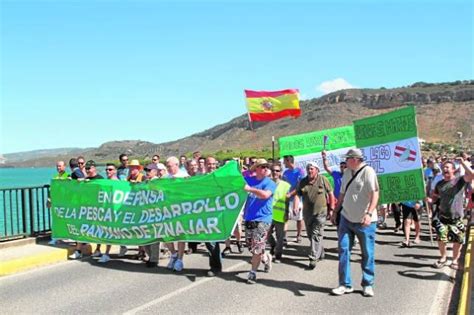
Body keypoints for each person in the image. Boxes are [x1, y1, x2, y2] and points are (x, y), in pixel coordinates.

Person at [331, 149, 379, 297]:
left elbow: (375, 193)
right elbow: (342, 193)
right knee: (344, 250)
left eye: (348, 159)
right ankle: (344, 284)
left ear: (356, 159)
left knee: (367, 253)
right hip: (346, 217)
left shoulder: (368, 172)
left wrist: (369, 213)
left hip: (364, 221)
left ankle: (367, 283)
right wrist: (335, 211)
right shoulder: (346, 173)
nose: (345, 161)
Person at [429, 156, 473, 271]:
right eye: (443, 167)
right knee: (441, 239)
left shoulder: (459, 180)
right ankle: (443, 258)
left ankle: (454, 260)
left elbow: (472, 175)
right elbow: (434, 198)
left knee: (457, 240)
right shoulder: (439, 184)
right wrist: (428, 200)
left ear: (453, 169)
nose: (445, 169)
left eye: (447, 167)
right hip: (442, 216)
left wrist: (463, 163)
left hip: (457, 218)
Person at [295, 162, 335, 269]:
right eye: (308, 168)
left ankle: (313, 258)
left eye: (312, 169)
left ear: (317, 170)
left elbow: (331, 194)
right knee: (310, 235)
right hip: (307, 213)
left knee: (315, 234)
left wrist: (331, 209)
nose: (309, 171)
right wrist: (295, 206)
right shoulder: (303, 182)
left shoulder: (323, 180)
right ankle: (320, 251)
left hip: (321, 212)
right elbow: (297, 195)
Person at [243, 159, 276, 284]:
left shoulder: (270, 183)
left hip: (263, 219)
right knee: (251, 247)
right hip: (249, 218)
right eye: (262, 166)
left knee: (257, 247)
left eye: (266, 166)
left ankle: (253, 273)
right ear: (256, 169)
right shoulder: (249, 181)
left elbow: (265, 195)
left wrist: (249, 189)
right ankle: (266, 256)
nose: (265, 168)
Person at [69, 160, 103, 259]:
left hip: (97, 208)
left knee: (98, 229)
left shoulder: (100, 179)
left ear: (94, 168)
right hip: (86, 208)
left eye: (89, 168)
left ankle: (98, 249)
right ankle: (78, 251)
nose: (88, 170)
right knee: (81, 228)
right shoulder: (85, 179)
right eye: (86, 168)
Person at [164, 156, 189, 272]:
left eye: (170, 166)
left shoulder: (184, 176)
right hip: (168, 210)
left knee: (180, 235)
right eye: (167, 166)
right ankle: (173, 254)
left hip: (181, 210)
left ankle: (179, 259)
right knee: (165, 235)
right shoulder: (166, 178)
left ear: (176, 165)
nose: (168, 168)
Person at [93, 163, 119, 263]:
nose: (108, 171)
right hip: (104, 211)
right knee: (101, 231)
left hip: (113, 212)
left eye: (110, 169)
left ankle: (107, 254)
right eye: (107, 169)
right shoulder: (105, 182)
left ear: (115, 171)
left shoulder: (118, 183)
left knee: (109, 232)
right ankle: (98, 249)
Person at [268, 164, 291, 263]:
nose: (275, 172)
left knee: (280, 237)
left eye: (277, 171)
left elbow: (287, 201)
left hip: (280, 214)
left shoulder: (286, 185)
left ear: (280, 172)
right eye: (273, 170)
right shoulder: (267, 183)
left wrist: (286, 213)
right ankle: (273, 245)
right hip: (268, 214)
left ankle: (278, 255)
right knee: (266, 234)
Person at [142, 163, 161, 268]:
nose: (147, 172)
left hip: (155, 213)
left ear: (155, 171)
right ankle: (150, 257)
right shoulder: (145, 182)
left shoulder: (158, 182)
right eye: (147, 171)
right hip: (145, 213)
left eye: (149, 170)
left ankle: (154, 259)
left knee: (154, 238)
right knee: (144, 237)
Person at [282, 155, 305, 243]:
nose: (284, 163)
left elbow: (300, 186)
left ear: (288, 161)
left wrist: (291, 193)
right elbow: (283, 184)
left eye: (285, 161)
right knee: (285, 218)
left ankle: (299, 234)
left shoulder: (299, 172)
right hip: (287, 198)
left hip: (297, 198)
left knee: (299, 218)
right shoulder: (285, 173)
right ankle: (284, 236)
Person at [47, 160, 70, 245]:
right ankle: (56, 237)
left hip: (65, 202)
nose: (58, 168)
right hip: (57, 202)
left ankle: (66, 236)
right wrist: (49, 199)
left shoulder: (68, 176)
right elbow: (52, 189)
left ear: (64, 167)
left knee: (66, 220)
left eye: (60, 166)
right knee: (56, 220)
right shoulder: (55, 177)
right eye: (57, 166)